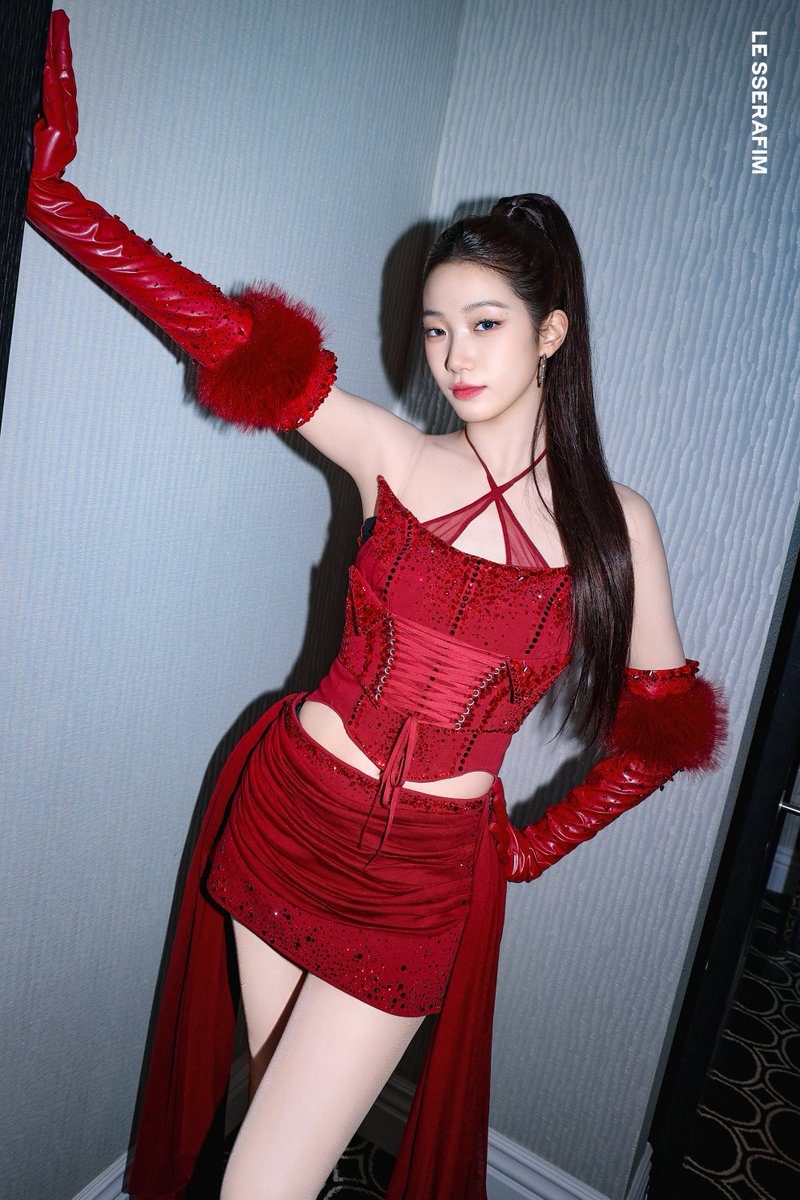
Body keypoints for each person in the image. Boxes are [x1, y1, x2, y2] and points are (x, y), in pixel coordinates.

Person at [26, 13, 726, 1200]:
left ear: (552, 333)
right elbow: (230, 336)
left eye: (485, 325)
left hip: (416, 880)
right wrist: (56, 202)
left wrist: (528, 846)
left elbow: (660, 736)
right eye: (437, 328)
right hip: (288, 808)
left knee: (259, 1181)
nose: (454, 354)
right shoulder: (391, 455)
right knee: (271, 1135)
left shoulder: (619, 527)